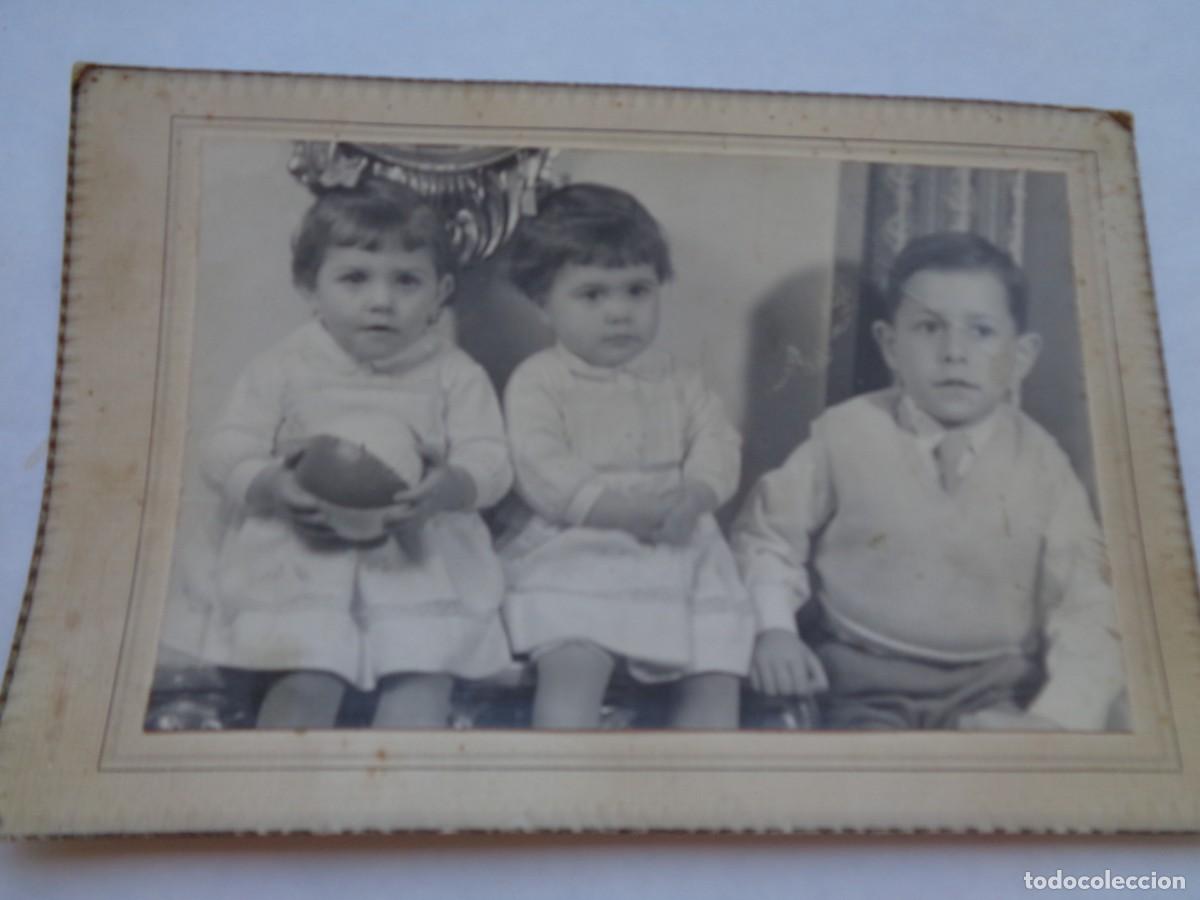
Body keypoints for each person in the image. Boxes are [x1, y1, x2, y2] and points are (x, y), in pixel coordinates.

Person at [733, 231, 1124, 730]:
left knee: (1006, 792)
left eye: (980, 331)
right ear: (890, 345)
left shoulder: (1042, 461)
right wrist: (775, 631)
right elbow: (768, 538)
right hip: (863, 684)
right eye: (928, 328)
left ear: (1021, 356)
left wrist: (1057, 716)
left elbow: (1087, 597)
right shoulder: (845, 432)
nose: (953, 352)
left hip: (997, 688)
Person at [186, 180, 514, 729]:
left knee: (423, 680)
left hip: (417, 559)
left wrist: (453, 485)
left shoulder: (455, 373)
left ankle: (390, 806)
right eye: (354, 278)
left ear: (441, 291)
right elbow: (225, 446)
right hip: (304, 559)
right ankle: (277, 805)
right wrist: (270, 484)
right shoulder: (284, 366)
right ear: (310, 288)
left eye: (407, 281)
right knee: (305, 677)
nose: (381, 301)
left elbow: (493, 457)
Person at [500, 183, 755, 729]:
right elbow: (539, 464)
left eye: (636, 291)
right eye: (592, 295)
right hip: (582, 538)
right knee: (573, 656)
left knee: (716, 662)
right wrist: (615, 510)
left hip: (677, 534)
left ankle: (702, 789)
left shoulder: (680, 379)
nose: (619, 312)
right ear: (544, 303)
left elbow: (717, 442)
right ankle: (562, 783)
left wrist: (698, 495)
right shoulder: (540, 381)